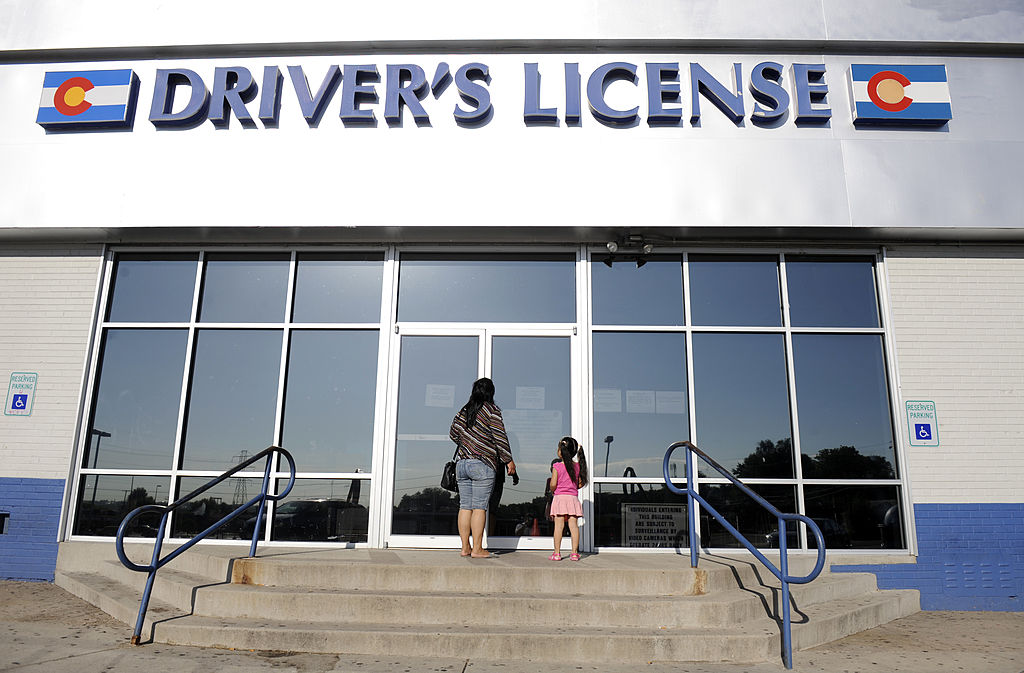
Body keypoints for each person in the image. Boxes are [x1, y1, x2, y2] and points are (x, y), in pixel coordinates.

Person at [449, 377, 516, 558]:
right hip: (483, 463)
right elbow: (499, 436)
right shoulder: (491, 410)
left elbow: (453, 433)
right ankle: (477, 549)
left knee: (465, 506)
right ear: (491, 392)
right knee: (479, 506)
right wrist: (508, 460)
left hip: (462, 464)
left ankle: (465, 548)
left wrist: (468, 443)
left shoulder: (464, 410)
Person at [548, 436, 588, 561]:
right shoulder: (577, 466)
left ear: (560, 451)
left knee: (558, 527)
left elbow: (553, 484)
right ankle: (574, 553)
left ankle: (557, 553)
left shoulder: (557, 466)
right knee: (573, 526)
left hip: (560, 499)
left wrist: (553, 489)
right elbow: (580, 483)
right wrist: (572, 488)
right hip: (572, 499)